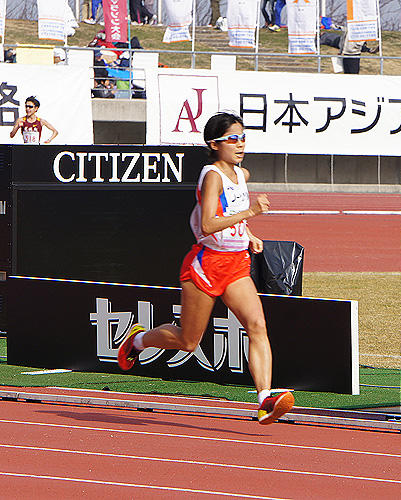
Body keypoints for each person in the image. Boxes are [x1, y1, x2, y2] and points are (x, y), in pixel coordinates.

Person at [116, 112, 294, 425]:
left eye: (243, 137)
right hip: (206, 265)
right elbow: (210, 223)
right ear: (214, 144)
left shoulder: (242, 174)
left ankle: (264, 397)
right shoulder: (211, 175)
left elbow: (234, 211)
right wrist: (251, 212)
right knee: (189, 341)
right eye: (232, 139)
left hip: (236, 263)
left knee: (257, 325)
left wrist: (249, 234)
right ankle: (137, 341)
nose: (240, 145)